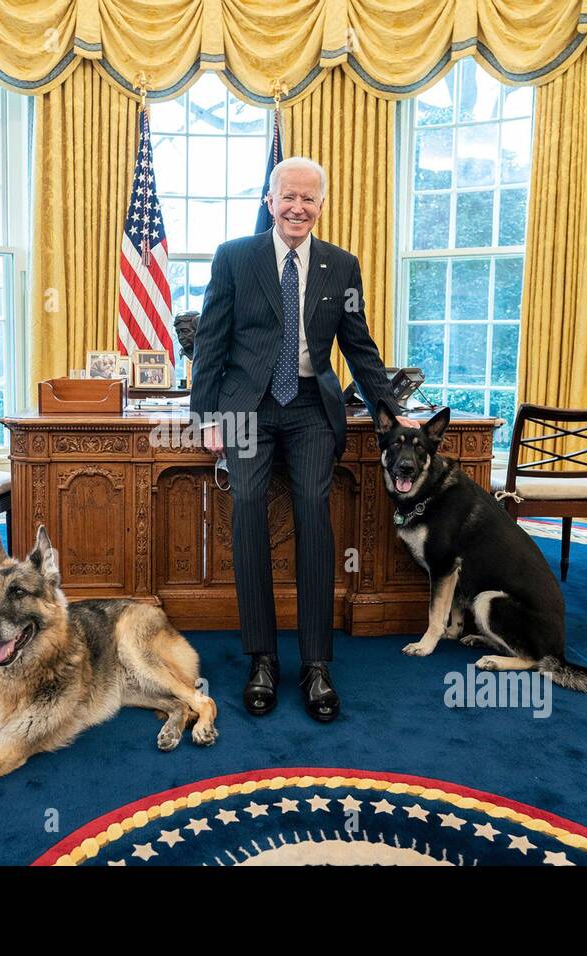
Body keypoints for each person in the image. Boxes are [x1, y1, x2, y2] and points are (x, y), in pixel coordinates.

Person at [189, 156, 401, 723]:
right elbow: (210, 341)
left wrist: (390, 412)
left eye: (309, 199)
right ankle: (261, 659)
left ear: (321, 205)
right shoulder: (235, 257)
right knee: (248, 507)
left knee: (314, 510)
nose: (298, 208)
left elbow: (359, 346)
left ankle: (316, 664)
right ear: (270, 200)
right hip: (248, 407)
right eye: (289, 197)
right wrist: (206, 415)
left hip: (311, 406)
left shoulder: (341, 266)